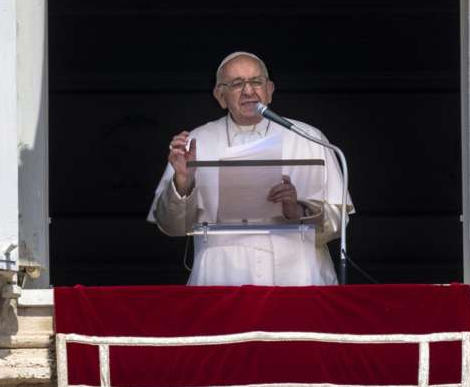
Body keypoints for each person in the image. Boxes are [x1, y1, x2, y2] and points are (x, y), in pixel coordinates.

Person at [148, 51, 351, 286]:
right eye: (236, 84)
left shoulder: (309, 138)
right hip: (221, 277)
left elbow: (338, 223)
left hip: (298, 275)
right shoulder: (195, 142)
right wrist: (182, 183)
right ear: (220, 96)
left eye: (256, 82)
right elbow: (171, 227)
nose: (248, 91)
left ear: (270, 90)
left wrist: (297, 210)